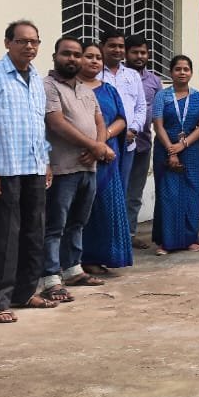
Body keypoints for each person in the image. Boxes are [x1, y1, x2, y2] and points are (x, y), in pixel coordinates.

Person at [0, 20, 55, 323]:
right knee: (5, 236)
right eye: (22, 41)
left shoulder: (37, 79)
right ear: (8, 43)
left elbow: (38, 125)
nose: (29, 47)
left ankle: (25, 292)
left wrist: (46, 160)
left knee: (34, 233)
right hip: (5, 169)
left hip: (33, 166)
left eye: (34, 41)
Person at [41, 36, 111, 299]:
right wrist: (95, 147)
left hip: (88, 167)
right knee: (55, 224)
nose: (72, 59)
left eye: (76, 54)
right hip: (62, 168)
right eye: (66, 53)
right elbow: (56, 123)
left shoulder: (86, 90)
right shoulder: (48, 86)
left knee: (78, 222)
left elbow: (99, 122)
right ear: (55, 56)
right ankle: (51, 276)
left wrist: (98, 148)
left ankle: (73, 269)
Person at [79, 43, 134, 273]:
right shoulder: (70, 88)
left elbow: (122, 119)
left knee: (107, 207)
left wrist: (105, 138)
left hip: (108, 157)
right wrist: (92, 146)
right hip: (80, 155)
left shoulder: (109, 90)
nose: (94, 61)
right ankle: (83, 259)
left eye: (98, 58)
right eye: (89, 56)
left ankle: (106, 256)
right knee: (84, 208)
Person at [150, 54, 199, 255]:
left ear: (191, 73)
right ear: (171, 72)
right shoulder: (162, 96)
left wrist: (183, 144)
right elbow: (158, 125)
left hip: (191, 151)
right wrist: (172, 149)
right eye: (178, 69)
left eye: (186, 69)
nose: (182, 73)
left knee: (191, 194)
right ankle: (166, 242)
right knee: (168, 195)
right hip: (165, 149)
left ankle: (190, 239)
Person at [124, 34, 164, 249]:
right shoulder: (117, 77)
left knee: (135, 193)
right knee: (117, 191)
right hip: (119, 144)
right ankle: (115, 236)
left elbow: (159, 112)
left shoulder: (154, 81)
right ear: (126, 53)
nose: (139, 56)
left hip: (143, 144)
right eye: (134, 52)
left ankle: (129, 234)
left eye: (143, 52)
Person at [99, 28, 147, 159]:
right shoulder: (95, 75)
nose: (117, 50)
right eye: (112, 46)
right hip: (101, 144)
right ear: (102, 46)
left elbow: (141, 107)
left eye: (121, 46)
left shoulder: (133, 75)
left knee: (126, 174)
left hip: (128, 143)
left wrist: (133, 129)